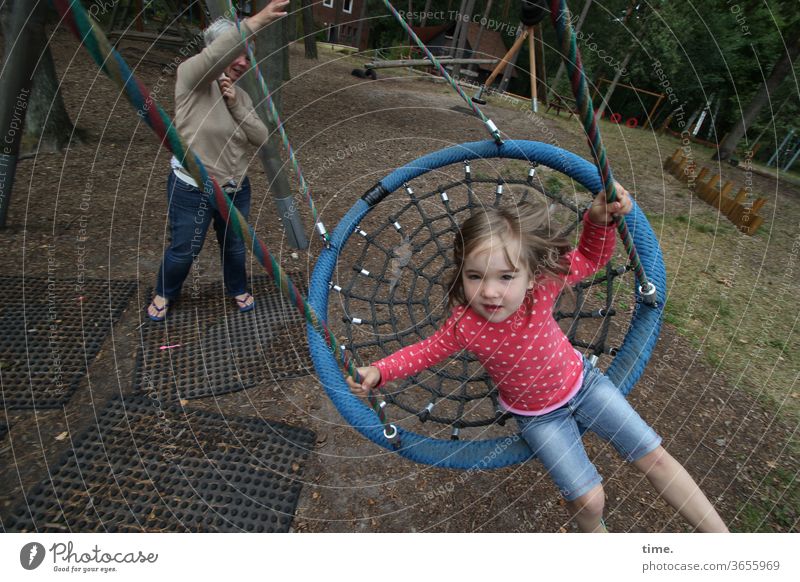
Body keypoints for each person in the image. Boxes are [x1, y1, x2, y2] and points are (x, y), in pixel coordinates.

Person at [347, 187, 729, 533]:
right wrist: (380, 370)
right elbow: (423, 351)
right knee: (589, 498)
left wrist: (597, 221)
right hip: (537, 415)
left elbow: (591, 258)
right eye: (475, 275)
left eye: (506, 276)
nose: (490, 291)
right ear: (460, 274)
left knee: (654, 457)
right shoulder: (464, 325)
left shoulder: (543, 288)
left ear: (530, 277)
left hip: (584, 385)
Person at [146, 0, 290, 321]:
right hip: (192, 188)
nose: (242, 62)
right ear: (217, 50)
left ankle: (237, 287)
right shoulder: (191, 79)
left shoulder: (242, 94)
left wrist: (237, 103)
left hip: (235, 189)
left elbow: (262, 136)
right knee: (185, 250)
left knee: (235, 248)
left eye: (247, 55)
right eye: (236, 53)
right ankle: (165, 291)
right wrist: (253, 24)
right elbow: (213, 58)